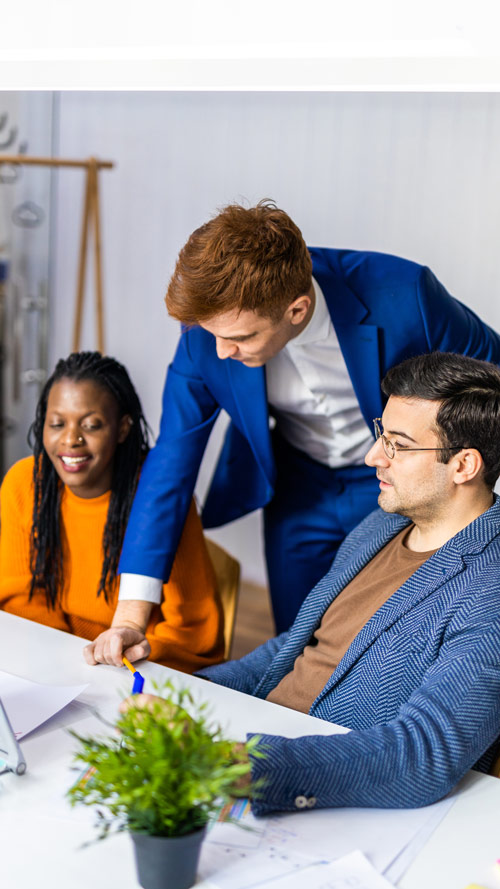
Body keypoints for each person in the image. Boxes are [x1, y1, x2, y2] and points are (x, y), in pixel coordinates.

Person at [117, 200, 500, 638]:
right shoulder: (209, 336)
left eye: (241, 338)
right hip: (298, 487)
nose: (222, 352)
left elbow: (495, 383)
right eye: (214, 336)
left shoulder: (405, 293)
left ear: (296, 310)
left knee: (391, 634)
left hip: (396, 479)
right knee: (296, 640)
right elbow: (170, 462)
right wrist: (131, 615)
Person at [184, 352, 500, 813]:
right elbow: (297, 647)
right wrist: (188, 693)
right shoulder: (380, 525)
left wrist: (236, 766)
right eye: (381, 434)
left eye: (398, 444)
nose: (373, 456)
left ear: (464, 465)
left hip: (324, 792)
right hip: (255, 737)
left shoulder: (490, 586)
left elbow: (422, 753)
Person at [0, 352, 224, 673]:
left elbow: (193, 630)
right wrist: (68, 657)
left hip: (138, 665)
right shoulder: (25, 484)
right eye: (57, 424)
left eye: (91, 425)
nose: (70, 440)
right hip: (54, 659)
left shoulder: (160, 497)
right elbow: (21, 602)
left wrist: (124, 658)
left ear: (122, 429)